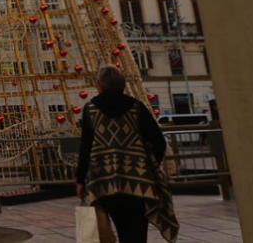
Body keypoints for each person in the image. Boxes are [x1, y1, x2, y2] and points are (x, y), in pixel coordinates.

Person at [76, 66, 179, 243]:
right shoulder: (136, 107)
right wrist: (148, 165)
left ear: (100, 85)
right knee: (135, 233)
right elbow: (158, 141)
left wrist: (79, 180)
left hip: (102, 182)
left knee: (103, 231)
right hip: (137, 181)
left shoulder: (90, 110)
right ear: (122, 85)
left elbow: (85, 147)